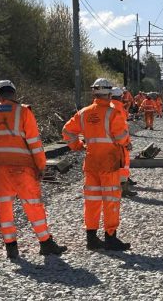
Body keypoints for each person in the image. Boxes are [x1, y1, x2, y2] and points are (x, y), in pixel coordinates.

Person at [0, 80, 66, 259]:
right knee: (33, 204)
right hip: (22, 166)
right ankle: (45, 243)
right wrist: (41, 166)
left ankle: (11, 247)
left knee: (4, 206)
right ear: (14, 95)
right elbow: (34, 143)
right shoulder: (23, 112)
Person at [62, 78, 131, 251]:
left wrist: (77, 145)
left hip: (91, 162)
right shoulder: (113, 113)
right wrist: (126, 143)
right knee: (110, 200)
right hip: (109, 163)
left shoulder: (84, 113)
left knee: (91, 201)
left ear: (94, 92)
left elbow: (67, 131)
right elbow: (122, 137)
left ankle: (91, 239)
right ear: (109, 94)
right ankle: (110, 238)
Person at [111, 88, 135, 196]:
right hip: (120, 144)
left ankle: (121, 187)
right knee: (123, 166)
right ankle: (123, 189)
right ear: (120, 96)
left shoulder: (108, 107)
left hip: (111, 143)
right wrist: (126, 143)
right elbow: (120, 129)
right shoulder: (118, 108)